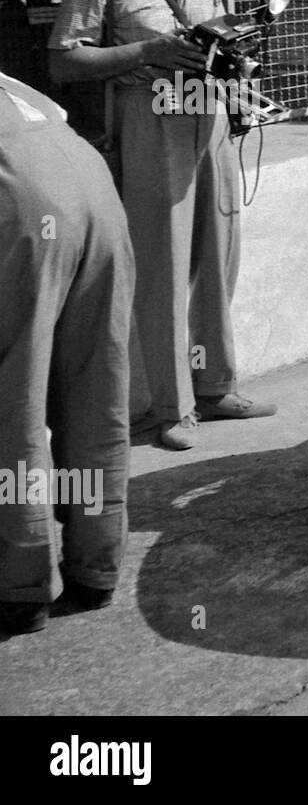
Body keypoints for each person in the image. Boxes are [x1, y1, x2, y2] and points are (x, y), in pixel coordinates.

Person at [48, 0, 275, 452]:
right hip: (153, 128)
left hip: (213, 120)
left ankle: (216, 385)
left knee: (219, 256)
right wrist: (144, 52)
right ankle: (170, 407)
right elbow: (63, 60)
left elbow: (211, 29)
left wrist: (239, 58)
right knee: (165, 267)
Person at [0, 71, 133, 635]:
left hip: (21, 199)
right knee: (94, 383)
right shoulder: (11, 85)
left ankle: (20, 586)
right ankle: (95, 570)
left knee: (15, 396)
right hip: (91, 187)